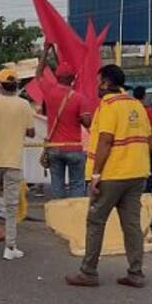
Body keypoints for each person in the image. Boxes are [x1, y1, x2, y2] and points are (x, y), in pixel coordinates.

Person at [65, 64, 152, 288]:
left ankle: (88, 272)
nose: (97, 86)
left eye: (98, 81)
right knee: (132, 225)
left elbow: (105, 140)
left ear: (105, 83)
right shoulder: (137, 105)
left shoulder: (108, 106)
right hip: (138, 173)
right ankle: (136, 272)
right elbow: (149, 139)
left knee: (95, 221)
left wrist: (95, 175)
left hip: (112, 174)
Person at [0, 68, 34, 260]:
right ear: (16, 85)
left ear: (0, 84)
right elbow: (31, 132)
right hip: (13, 161)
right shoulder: (24, 105)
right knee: (11, 206)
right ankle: (10, 247)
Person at [38, 57, 91, 199]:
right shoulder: (80, 98)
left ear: (56, 77)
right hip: (74, 147)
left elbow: (38, 75)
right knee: (77, 184)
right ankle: (75, 217)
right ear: (73, 78)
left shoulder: (49, 92)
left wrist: (45, 50)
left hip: (54, 147)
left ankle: (59, 217)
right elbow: (87, 123)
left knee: (57, 184)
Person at [132, 86, 152, 231]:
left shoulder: (130, 109)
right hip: (146, 149)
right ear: (144, 96)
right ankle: (149, 214)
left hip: (132, 150)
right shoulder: (147, 111)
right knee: (148, 182)